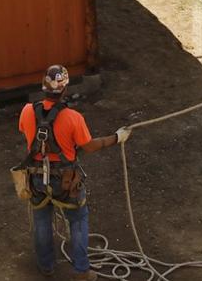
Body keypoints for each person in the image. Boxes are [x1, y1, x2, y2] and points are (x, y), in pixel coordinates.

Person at [19, 65, 130, 280]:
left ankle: (46, 265)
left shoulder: (26, 111)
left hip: (36, 178)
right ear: (65, 90)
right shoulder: (73, 118)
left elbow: (28, 133)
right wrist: (117, 138)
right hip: (66, 181)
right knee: (78, 219)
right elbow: (88, 146)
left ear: (43, 87)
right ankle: (81, 271)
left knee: (42, 220)